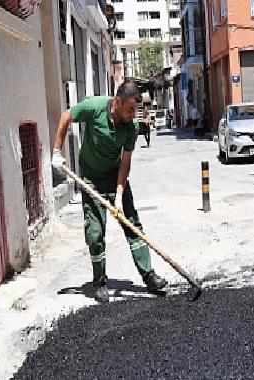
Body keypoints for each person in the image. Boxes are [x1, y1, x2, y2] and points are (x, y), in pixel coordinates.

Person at [51, 81, 169, 303]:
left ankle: (149, 276)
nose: (133, 115)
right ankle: (100, 282)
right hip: (90, 179)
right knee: (95, 233)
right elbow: (67, 116)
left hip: (115, 176)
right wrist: (57, 151)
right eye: (130, 109)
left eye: (136, 110)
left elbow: (125, 163)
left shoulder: (131, 128)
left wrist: (119, 194)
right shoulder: (95, 107)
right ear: (117, 102)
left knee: (132, 225)